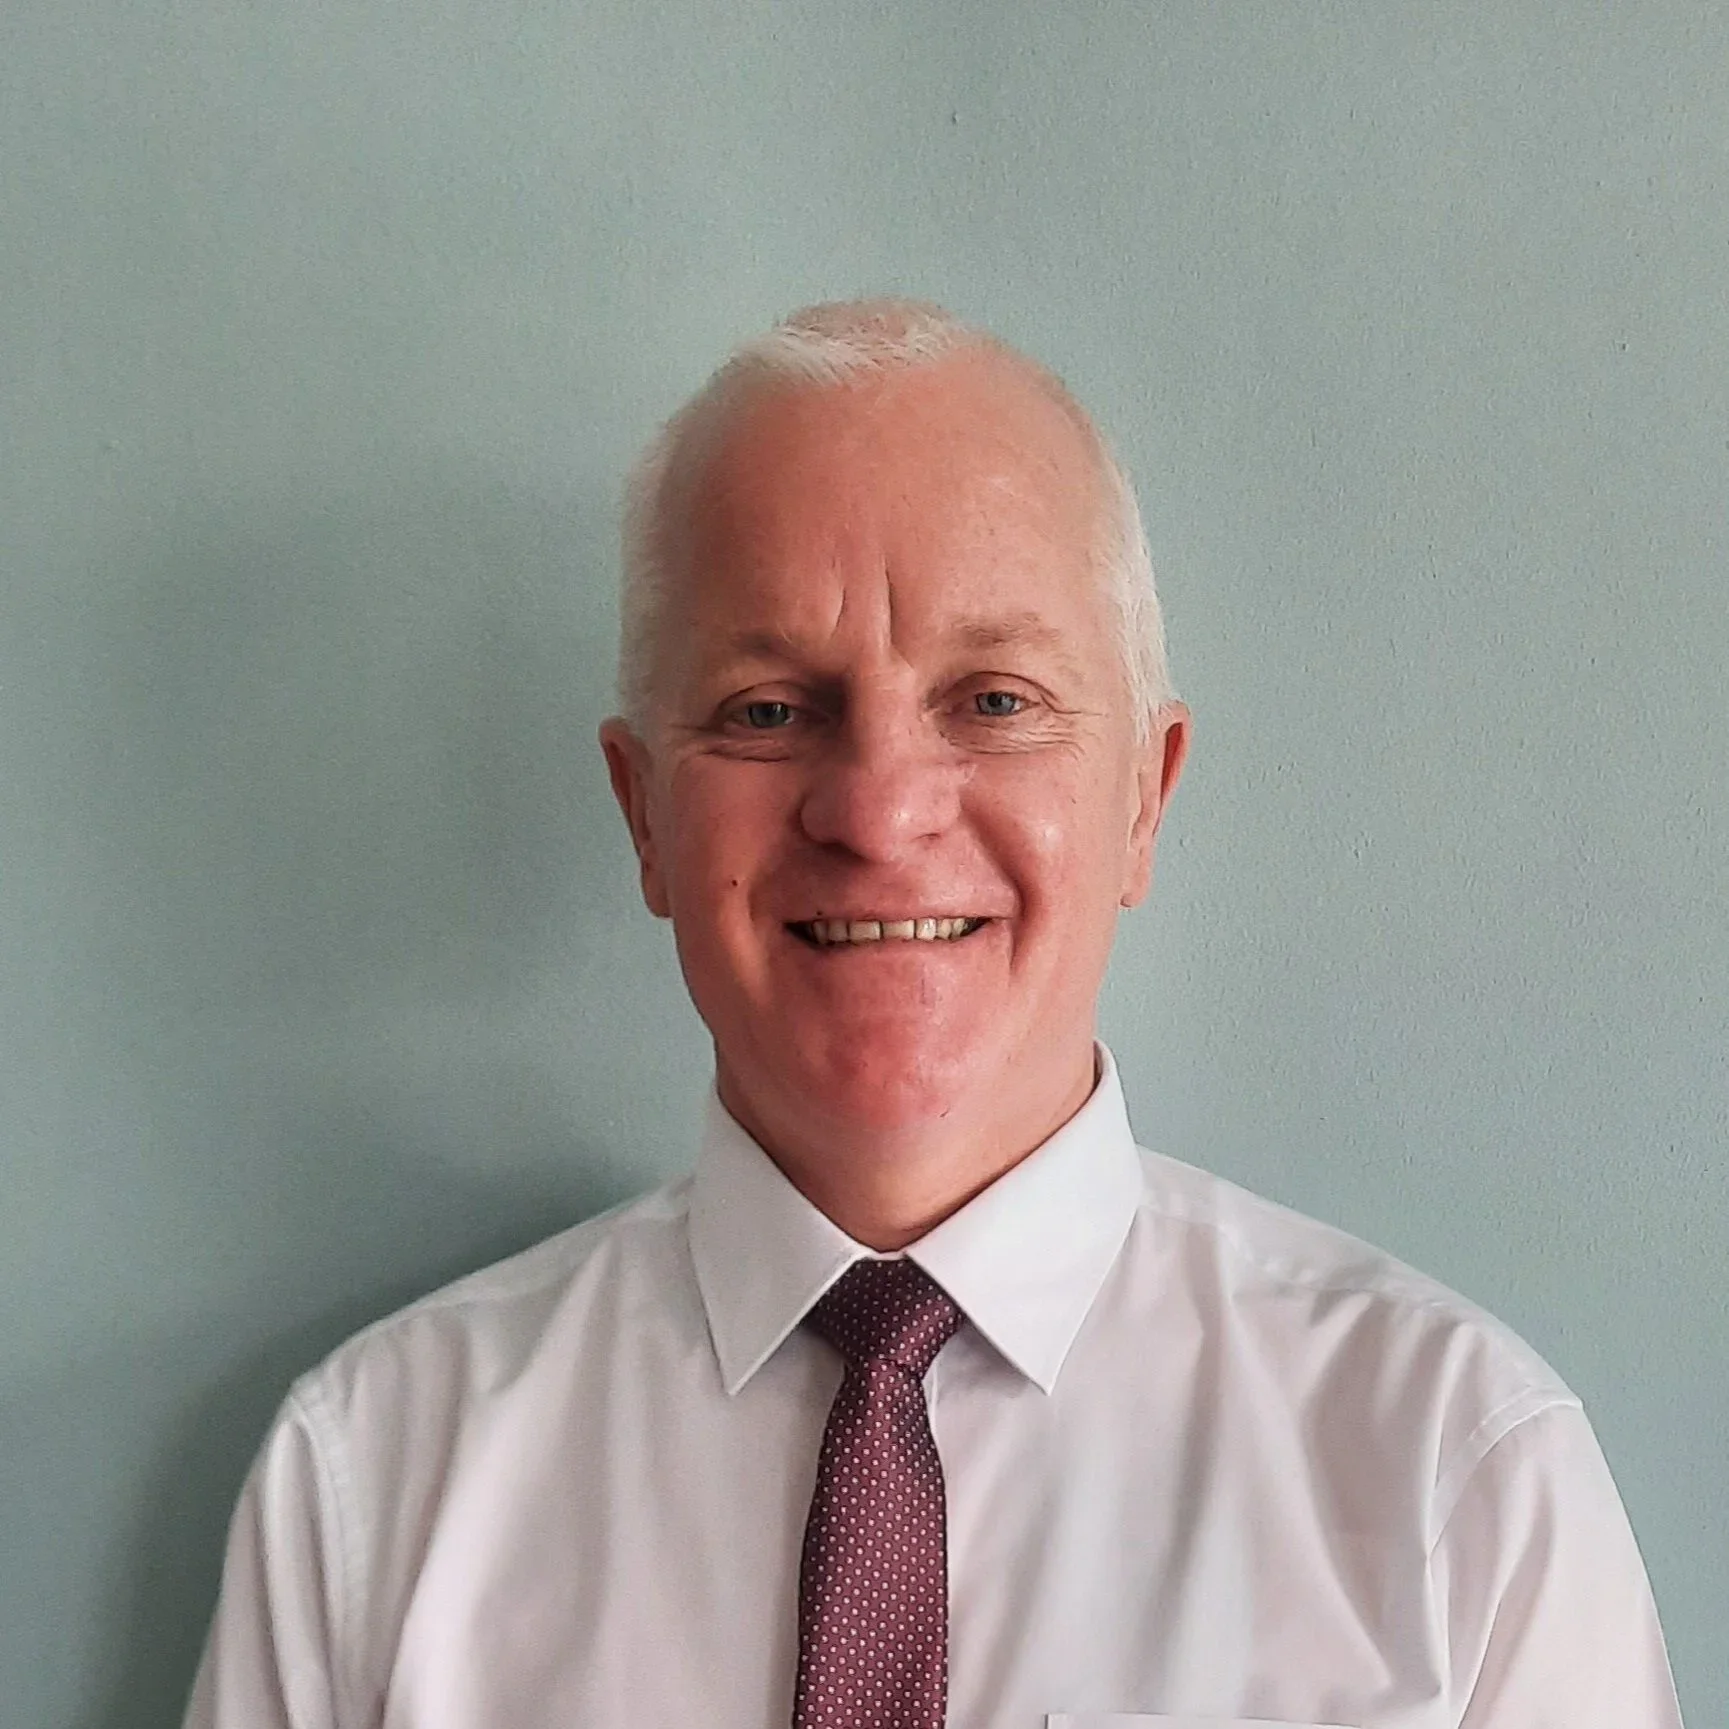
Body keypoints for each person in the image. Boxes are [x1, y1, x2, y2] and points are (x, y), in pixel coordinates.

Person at [183, 300, 1683, 1728]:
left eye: (996, 700)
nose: (881, 810)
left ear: (1144, 797)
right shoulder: (372, 1485)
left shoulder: (1455, 1483)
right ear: (645, 815)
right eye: (770, 709)